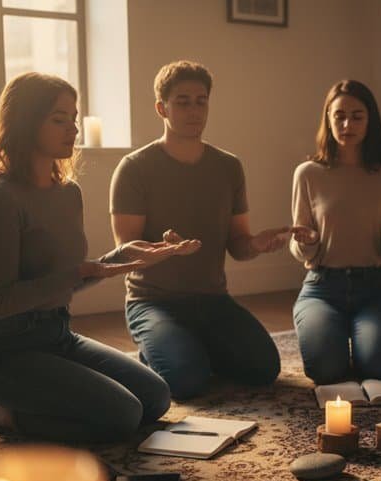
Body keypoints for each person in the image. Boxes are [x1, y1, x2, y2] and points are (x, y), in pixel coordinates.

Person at [0, 72, 174, 442]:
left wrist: (125, 255)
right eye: (59, 119)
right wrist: (79, 272)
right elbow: (1, 302)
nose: (73, 129)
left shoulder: (68, 192)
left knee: (155, 397)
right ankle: (7, 413)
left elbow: (70, 276)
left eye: (74, 118)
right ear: (26, 122)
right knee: (124, 415)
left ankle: (41, 402)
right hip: (2, 351)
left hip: (57, 336)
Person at [111, 60, 285, 400]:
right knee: (187, 383)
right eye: (183, 101)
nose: (194, 110)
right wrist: (165, 250)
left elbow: (239, 246)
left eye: (201, 101)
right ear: (162, 107)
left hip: (212, 301)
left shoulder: (228, 166)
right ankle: (170, 350)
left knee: (264, 369)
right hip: (153, 302)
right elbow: (125, 252)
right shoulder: (134, 168)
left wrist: (257, 244)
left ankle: (191, 348)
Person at [289, 80, 381, 384]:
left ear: (370, 120)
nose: (348, 124)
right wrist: (306, 242)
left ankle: (363, 337)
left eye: (357, 116)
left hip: (374, 288)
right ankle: (333, 333)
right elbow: (299, 249)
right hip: (322, 288)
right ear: (328, 119)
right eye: (339, 116)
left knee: (377, 371)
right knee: (326, 372)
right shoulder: (307, 173)